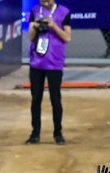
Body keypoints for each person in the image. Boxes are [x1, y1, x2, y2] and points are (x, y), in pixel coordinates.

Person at [26, 0, 72, 145]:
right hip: (37, 62)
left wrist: (53, 26)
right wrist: (35, 26)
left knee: (55, 99)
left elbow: (67, 37)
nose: (45, 2)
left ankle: (58, 133)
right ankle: (35, 133)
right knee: (36, 99)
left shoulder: (64, 12)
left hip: (54, 62)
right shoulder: (34, 11)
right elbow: (30, 37)